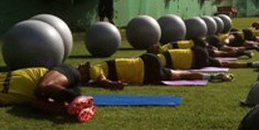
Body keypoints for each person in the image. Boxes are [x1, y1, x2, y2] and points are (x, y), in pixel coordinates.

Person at [78, 54, 234, 89]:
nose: (79, 66)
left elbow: (102, 81)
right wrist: (113, 83)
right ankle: (213, 76)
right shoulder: (95, 70)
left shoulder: (93, 69)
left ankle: (212, 76)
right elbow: (102, 80)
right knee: (180, 74)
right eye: (79, 68)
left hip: (146, 71)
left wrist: (114, 84)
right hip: (147, 63)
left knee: (180, 75)